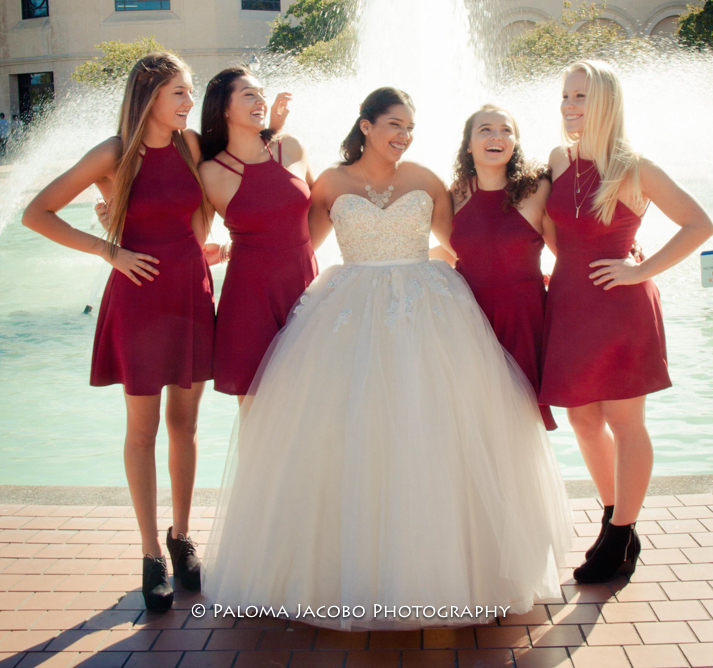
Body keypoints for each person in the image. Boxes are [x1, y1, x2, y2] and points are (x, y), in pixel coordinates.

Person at [203, 87, 572, 629]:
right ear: (366, 125)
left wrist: (525, 265)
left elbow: (463, 240)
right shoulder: (330, 182)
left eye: (410, 128)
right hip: (351, 311)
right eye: (395, 125)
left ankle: (444, 566)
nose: (404, 135)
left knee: (433, 430)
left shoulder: (425, 180)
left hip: (429, 309)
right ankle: (347, 569)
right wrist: (231, 249)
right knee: (352, 431)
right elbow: (296, 241)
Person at [22, 52, 216, 611]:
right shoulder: (113, 153)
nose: (188, 102)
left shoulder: (191, 145)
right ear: (150, 95)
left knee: (186, 423)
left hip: (190, 294)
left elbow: (200, 214)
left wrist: (204, 251)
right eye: (179, 92)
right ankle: (150, 551)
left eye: (191, 92)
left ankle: (182, 538)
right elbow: (37, 213)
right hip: (137, 301)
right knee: (143, 429)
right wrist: (110, 251)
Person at [540, 60, 713, 583]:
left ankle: (618, 533)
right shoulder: (556, 158)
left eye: (581, 97)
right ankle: (618, 520)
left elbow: (699, 223)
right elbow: (553, 230)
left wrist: (640, 269)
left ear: (606, 104)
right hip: (569, 303)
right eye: (566, 96)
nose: (570, 106)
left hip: (619, 308)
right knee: (583, 421)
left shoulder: (633, 167)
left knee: (623, 422)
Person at [198, 67, 317, 398]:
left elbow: (325, 211)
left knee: (313, 404)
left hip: (305, 290)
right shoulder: (209, 172)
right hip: (248, 300)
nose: (262, 100)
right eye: (249, 94)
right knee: (256, 410)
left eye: (262, 93)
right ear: (223, 107)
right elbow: (189, 238)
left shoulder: (291, 148)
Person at [438, 104, 557, 431]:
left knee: (521, 418)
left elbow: (568, 247)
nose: (497, 136)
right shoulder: (457, 193)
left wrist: (622, 249)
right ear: (468, 144)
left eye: (506, 130)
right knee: (476, 420)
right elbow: (448, 250)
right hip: (469, 316)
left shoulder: (537, 189)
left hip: (524, 315)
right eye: (485, 129)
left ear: (515, 142)